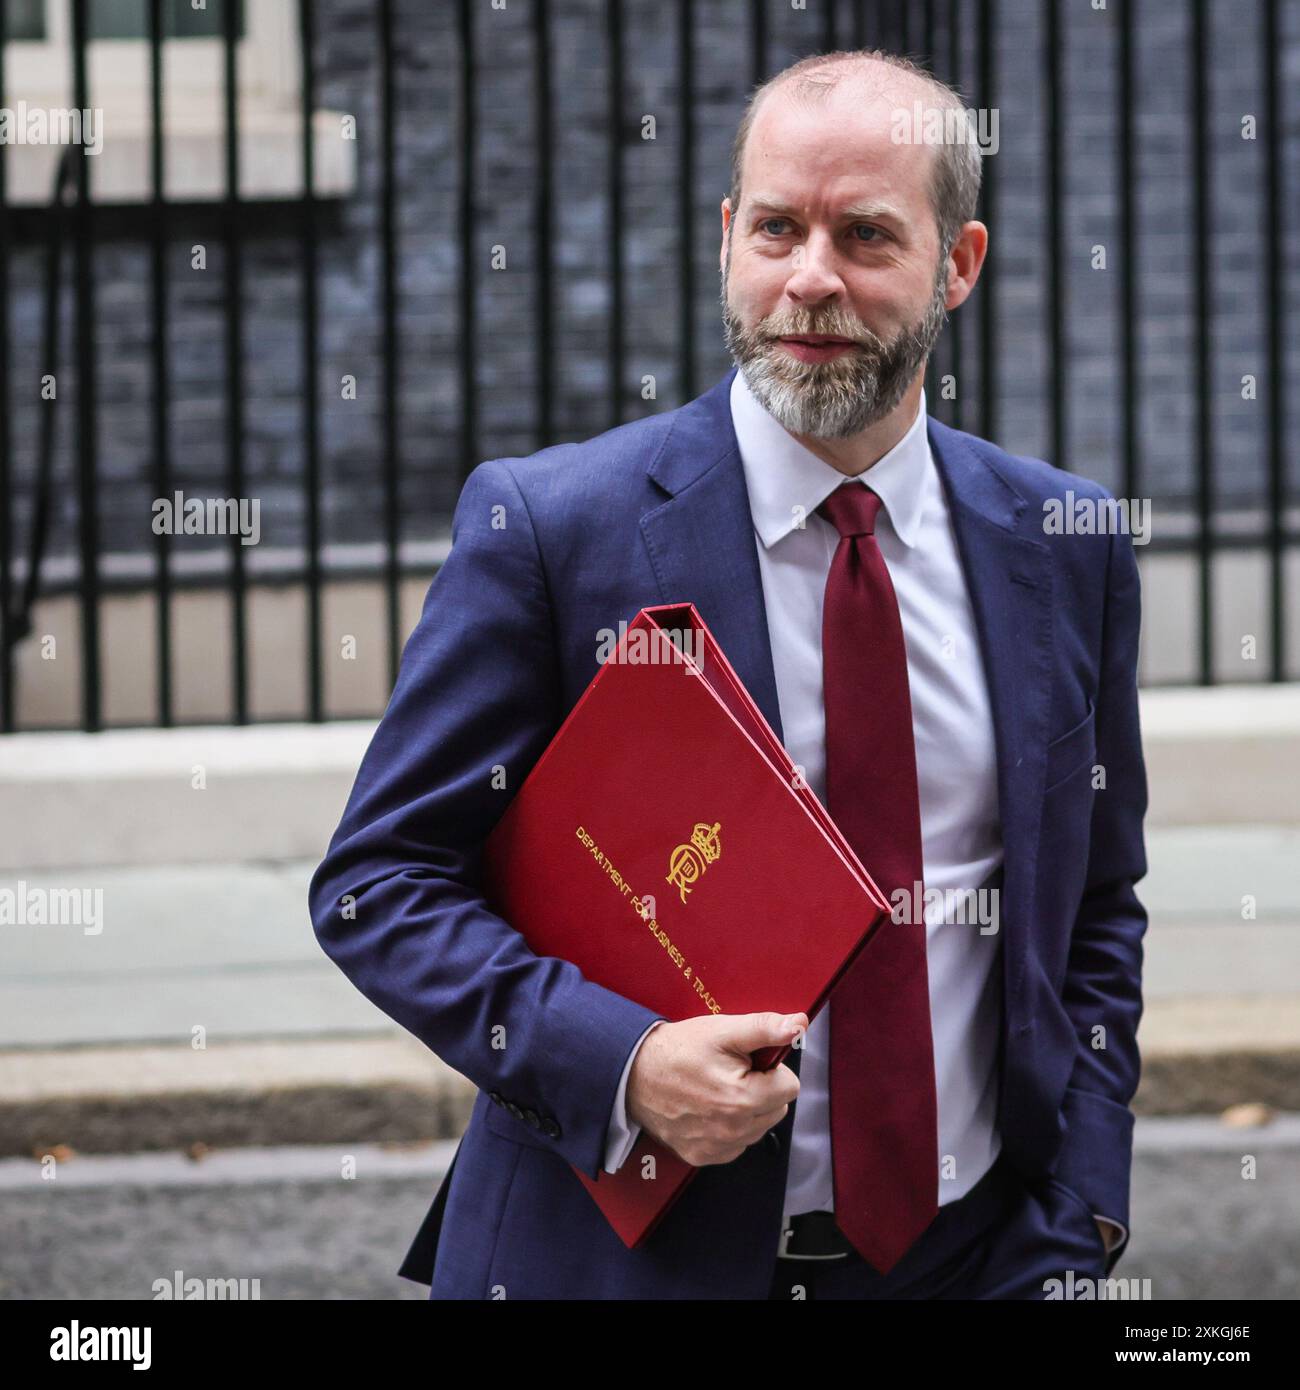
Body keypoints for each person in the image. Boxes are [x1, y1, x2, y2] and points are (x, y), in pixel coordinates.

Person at [308, 47, 1148, 1300]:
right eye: (777, 229)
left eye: (866, 235)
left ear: (957, 263)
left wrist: (1081, 1215)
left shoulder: (1061, 544)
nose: (810, 280)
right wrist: (626, 1064)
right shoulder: (556, 530)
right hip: (631, 1268)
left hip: (979, 1262)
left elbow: (1096, 903)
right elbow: (379, 883)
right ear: (727, 238)